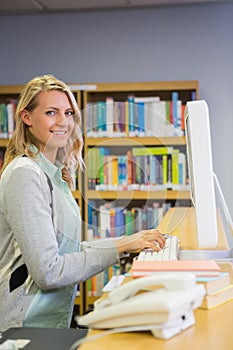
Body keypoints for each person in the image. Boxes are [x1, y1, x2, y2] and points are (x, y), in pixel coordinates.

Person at [0, 74, 166, 332]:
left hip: (47, 322)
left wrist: (128, 242)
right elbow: (49, 271)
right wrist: (122, 246)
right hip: (24, 326)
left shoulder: (52, 173)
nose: (63, 122)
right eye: (51, 112)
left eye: (68, 113)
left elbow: (67, 250)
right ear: (27, 117)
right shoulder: (25, 174)